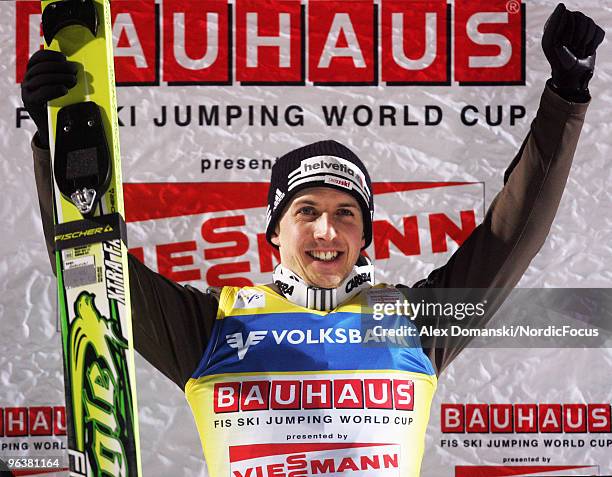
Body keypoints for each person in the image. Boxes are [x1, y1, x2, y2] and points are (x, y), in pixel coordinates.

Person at [22, 4, 604, 476]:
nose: (328, 230)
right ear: (274, 231)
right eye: (308, 211)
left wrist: (565, 97)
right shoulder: (213, 326)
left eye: (347, 214)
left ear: (366, 236)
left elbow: (512, 236)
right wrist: (55, 140)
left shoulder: (411, 323)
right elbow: (89, 261)